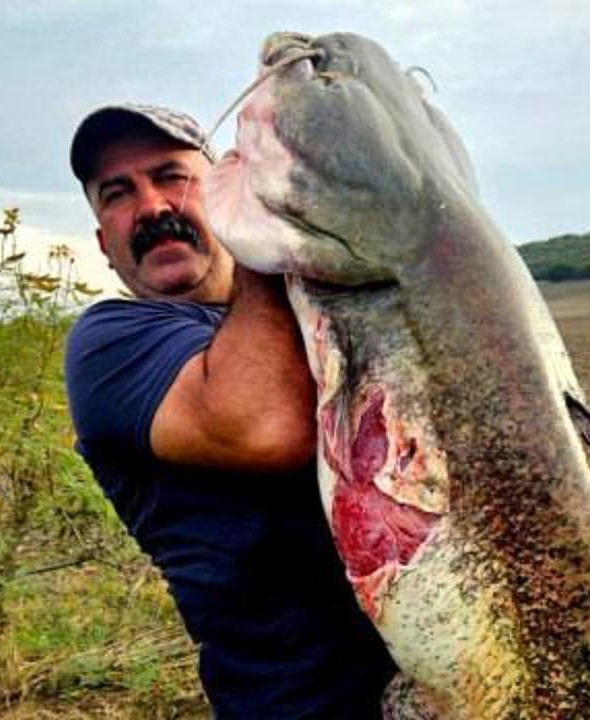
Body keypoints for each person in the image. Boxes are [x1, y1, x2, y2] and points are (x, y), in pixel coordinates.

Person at [63, 104, 397, 719]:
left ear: (218, 188)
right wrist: (264, 219)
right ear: (103, 244)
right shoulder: (108, 343)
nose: (154, 207)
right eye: (118, 193)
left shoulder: (312, 309)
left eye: (171, 175)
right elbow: (265, 427)